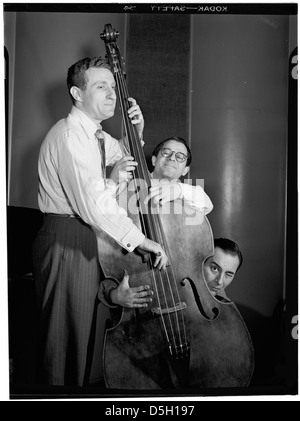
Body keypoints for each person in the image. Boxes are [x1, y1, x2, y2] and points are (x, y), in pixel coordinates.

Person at [32, 56, 168, 387]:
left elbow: (125, 156)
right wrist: (143, 241)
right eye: (101, 86)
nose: (111, 94)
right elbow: (92, 204)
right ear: (77, 94)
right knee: (64, 343)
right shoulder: (71, 136)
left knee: (79, 341)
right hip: (66, 236)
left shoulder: (94, 134)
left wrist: (137, 130)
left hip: (83, 235)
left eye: (113, 86)